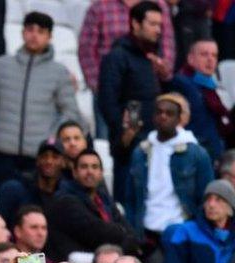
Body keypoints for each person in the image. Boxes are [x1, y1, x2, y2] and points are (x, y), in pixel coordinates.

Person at [0, 12, 81, 191]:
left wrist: (50, 138)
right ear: (22, 32)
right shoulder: (1, 66)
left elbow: (70, 112)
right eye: (30, 30)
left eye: (41, 31)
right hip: (2, 154)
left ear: (49, 36)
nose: (34, 35)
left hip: (38, 158)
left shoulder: (58, 73)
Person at [98, 1, 170, 202]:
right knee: (129, 206)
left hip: (155, 142)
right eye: (153, 24)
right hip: (129, 148)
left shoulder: (152, 58)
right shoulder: (118, 56)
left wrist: (165, 77)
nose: (158, 30)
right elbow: (107, 101)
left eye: (160, 25)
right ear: (135, 24)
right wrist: (124, 135)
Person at [124, 94, 214, 236]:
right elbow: (130, 198)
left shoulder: (196, 153)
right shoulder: (140, 152)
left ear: (179, 119)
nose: (163, 116)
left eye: (169, 113)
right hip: (146, 230)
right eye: (159, 112)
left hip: (181, 229)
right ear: (153, 116)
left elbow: (205, 196)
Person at [45, 150, 141, 262]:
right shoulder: (65, 200)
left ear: (101, 173)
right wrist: (124, 236)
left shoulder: (104, 198)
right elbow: (98, 234)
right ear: (75, 172)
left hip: (105, 259)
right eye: (84, 167)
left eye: (94, 167)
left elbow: (129, 230)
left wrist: (127, 239)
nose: (90, 171)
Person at [172, 39, 234, 160]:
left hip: (215, 152)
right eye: (204, 54)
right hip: (193, 156)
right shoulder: (181, 83)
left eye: (214, 55)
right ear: (190, 59)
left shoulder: (215, 86)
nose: (210, 59)